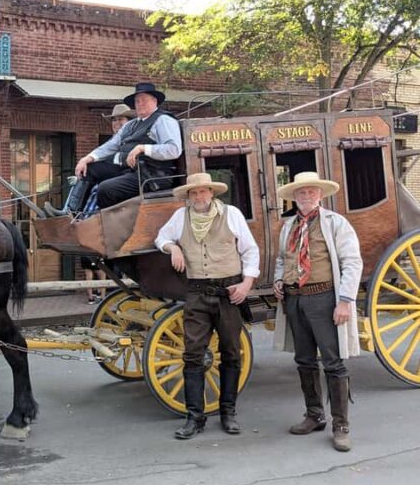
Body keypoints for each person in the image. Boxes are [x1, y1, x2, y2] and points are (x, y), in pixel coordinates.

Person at [155, 173, 259, 439]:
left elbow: (250, 250)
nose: (199, 197)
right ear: (189, 197)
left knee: (231, 352)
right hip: (197, 293)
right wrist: (172, 248)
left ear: (212, 193)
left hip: (229, 292)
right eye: (194, 193)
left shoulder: (231, 214)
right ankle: (195, 417)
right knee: (192, 355)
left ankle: (228, 413)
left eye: (203, 192)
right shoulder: (181, 217)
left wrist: (247, 284)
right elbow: (161, 237)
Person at [273, 171, 362, 452]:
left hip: (324, 298)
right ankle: (315, 415)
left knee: (333, 362)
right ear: (295, 197)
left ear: (320, 196)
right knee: (305, 360)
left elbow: (352, 262)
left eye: (311, 192)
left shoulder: (336, 223)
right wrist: (278, 280)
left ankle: (341, 425)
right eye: (301, 193)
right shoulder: (288, 227)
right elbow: (281, 259)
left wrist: (345, 300)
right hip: (295, 299)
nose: (306, 197)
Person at [46, 83, 182, 216]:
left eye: (144, 100)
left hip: (152, 176)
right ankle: (70, 213)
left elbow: (174, 149)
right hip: (130, 170)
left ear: (154, 101)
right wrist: (87, 158)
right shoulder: (131, 124)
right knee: (90, 169)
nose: (140, 104)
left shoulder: (163, 120)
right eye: (137, 101)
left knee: (106, 189)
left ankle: (104, 226)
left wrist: (143, 148)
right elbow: (111, 145)